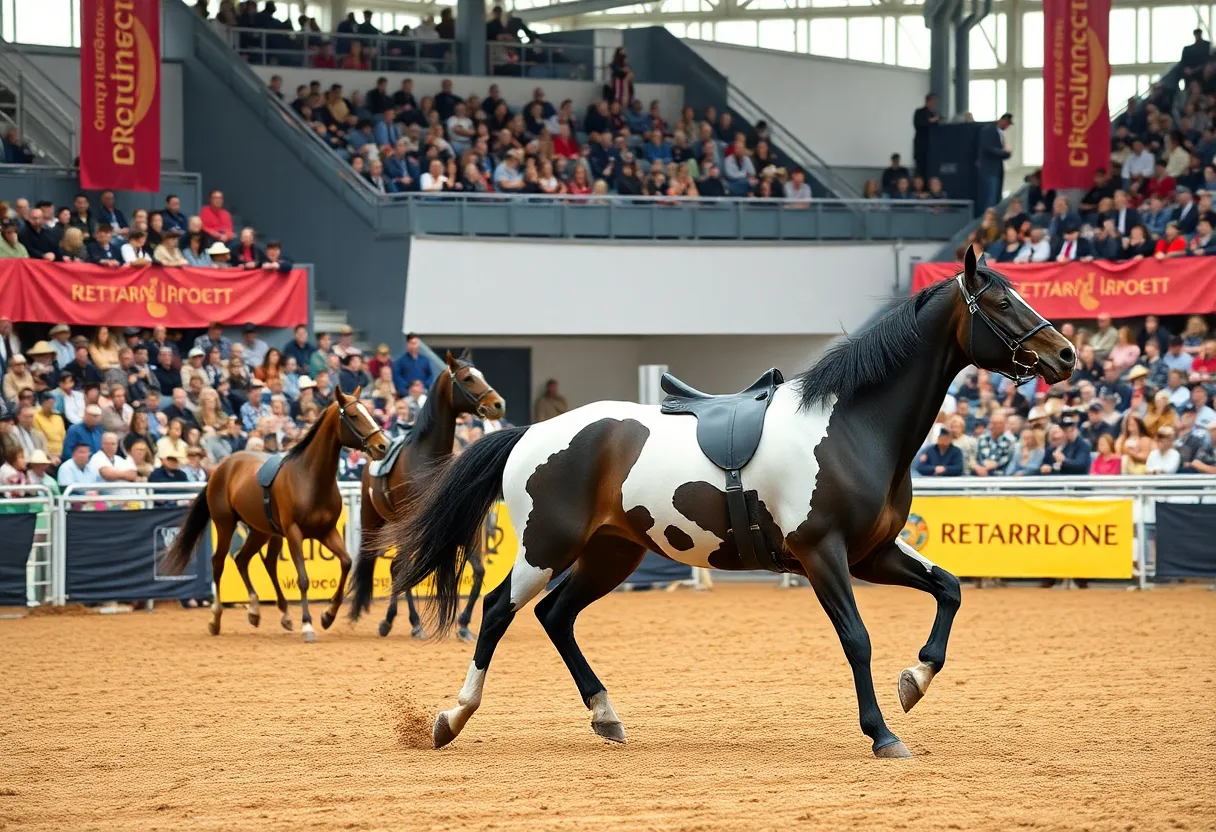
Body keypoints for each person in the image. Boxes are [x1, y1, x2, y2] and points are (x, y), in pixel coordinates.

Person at [977, 113, 1013, 211]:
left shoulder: (998, 133)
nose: (1007, 126)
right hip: (989, 170)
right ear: (1003, 121)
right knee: (990, 198)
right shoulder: (988, 130)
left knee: (995, 197)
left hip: (996, 170)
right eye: (1007, 123)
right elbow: (988, 149)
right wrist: (1003, 153)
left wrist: (1005, 154)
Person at [912, 93, 939, 177]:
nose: (934, 103)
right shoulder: (919, 112)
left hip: (932, 148)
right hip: (921, 147)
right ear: (928, 101)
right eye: (933, 101)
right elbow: (918, 125)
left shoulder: (934, 114)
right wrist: (930, 121)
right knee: (921, 170)